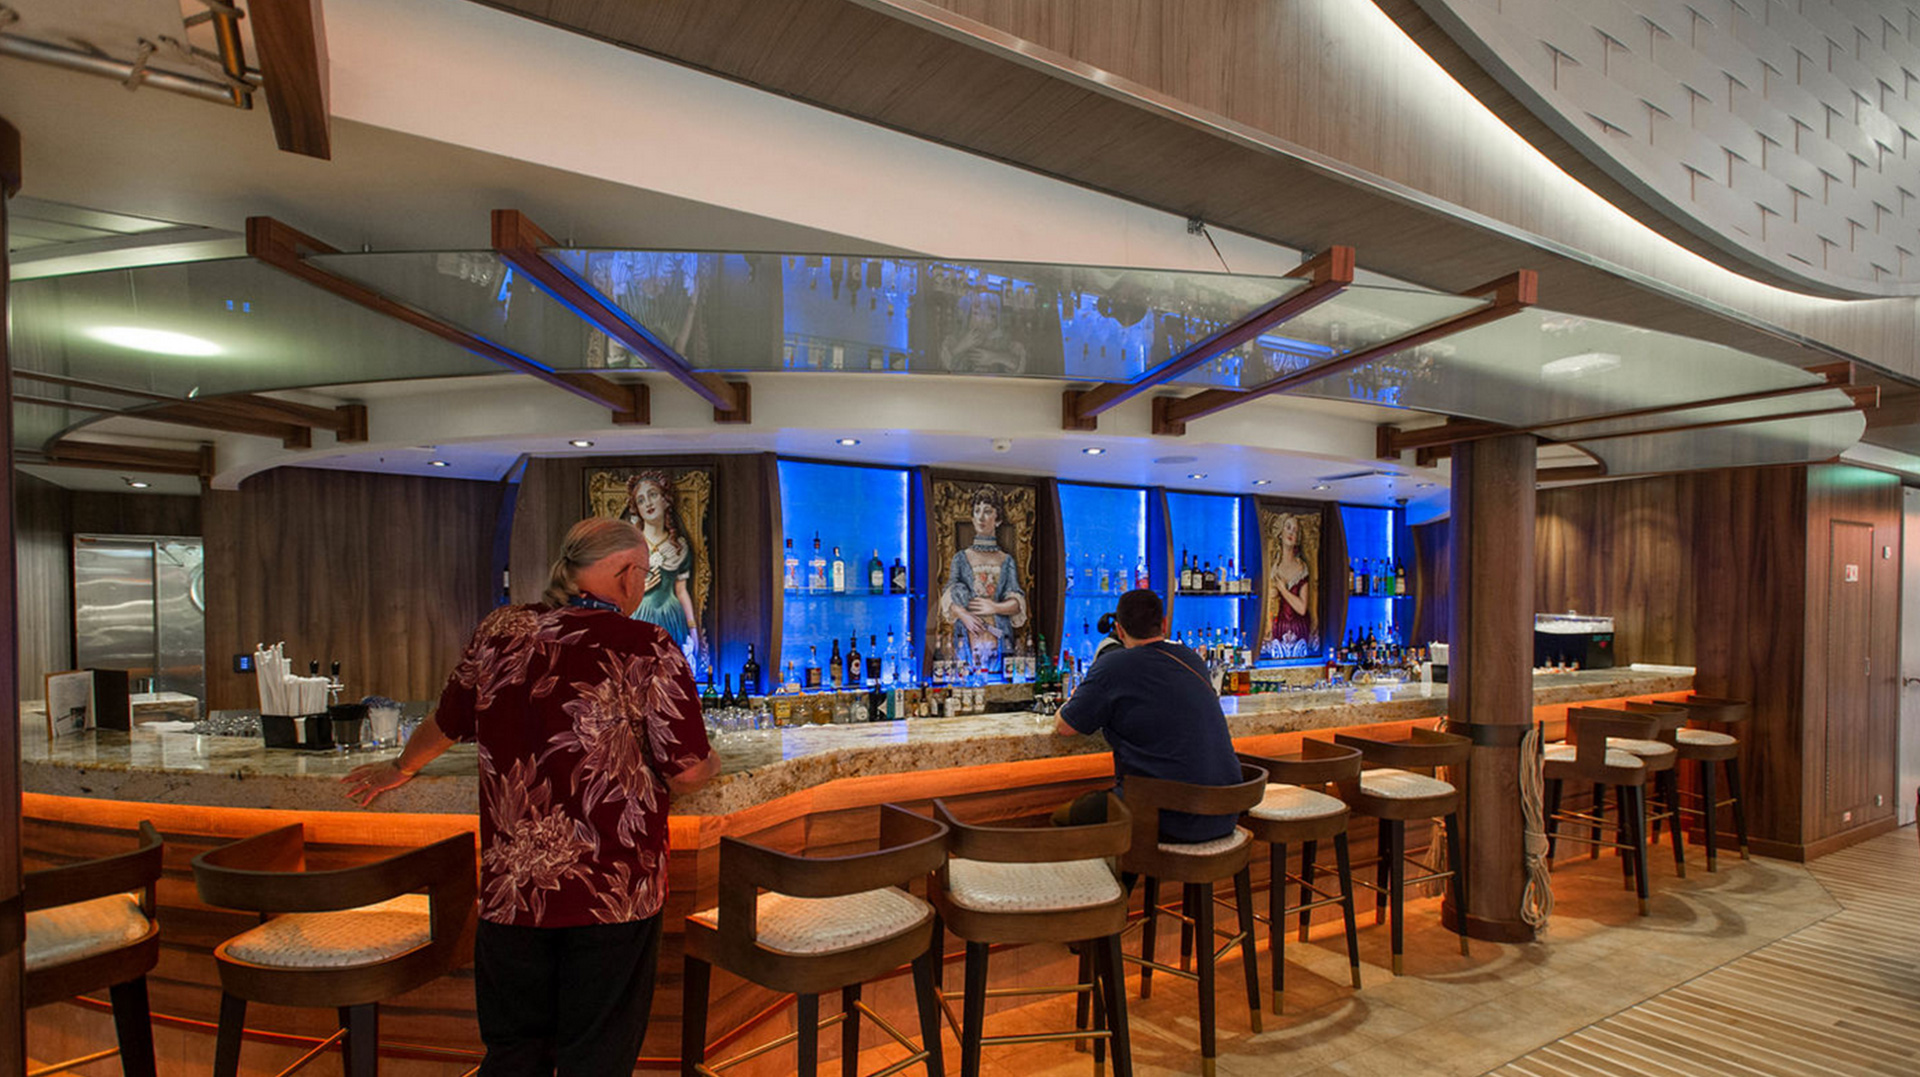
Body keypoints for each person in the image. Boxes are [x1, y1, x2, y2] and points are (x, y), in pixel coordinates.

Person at [342, 517, 719, 1076]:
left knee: (514, 1054)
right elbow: (685, 773)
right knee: (596, 1057)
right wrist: (713, 762)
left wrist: (401, 767)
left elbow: (448, 720)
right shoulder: (644, 645)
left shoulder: (499, 630)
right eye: (644, 573)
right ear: (626, 575)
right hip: (612, 889)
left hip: (514, 890)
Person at [1053, 588, 1242, 843]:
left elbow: (1065, 727)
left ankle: (1121, 871)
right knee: (1124, 803)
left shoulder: (1112, 666)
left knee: (1062, 818)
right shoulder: (1191, 659)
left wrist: (1071, 702)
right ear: (1163, 624)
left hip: (1167, 816)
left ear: (1119, 630)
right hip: (1225, 811)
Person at [941, 486, 1028, 672]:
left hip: (998, 633)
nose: (981, 517)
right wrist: (963, 614)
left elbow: (1017, 601)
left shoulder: (1006, 560)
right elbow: (948, 595)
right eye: (977, 511)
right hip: (968, 633)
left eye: (987, 511)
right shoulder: (961, 558)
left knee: (999, 672)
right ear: (972, 518)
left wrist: (995, 607)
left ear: (998, 520)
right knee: (967, 671)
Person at [623, 471, 703, 664]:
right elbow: (617, 589)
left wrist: (692, 628)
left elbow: (681, 590)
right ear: (637, 509)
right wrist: (639, 589)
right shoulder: (631, 545)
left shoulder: (679, 547)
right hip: (640, 615)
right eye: (641, 500)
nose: (648, 503)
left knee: (670, 670)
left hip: (671, 616)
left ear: (666, 500)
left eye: (653, 495)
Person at [1268, 514, 1315, 657]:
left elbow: (1302, 608)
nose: (1291, 533)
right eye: (1288, 528)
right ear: (1280, 532)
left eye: (1295, 530)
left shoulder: (1302, 568)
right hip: (1278, 627)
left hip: (1298, 628)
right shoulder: (1273, 567)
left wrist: (1283, 589)